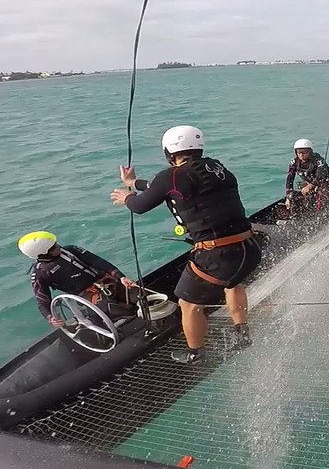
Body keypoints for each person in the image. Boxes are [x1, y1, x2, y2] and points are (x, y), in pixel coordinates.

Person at [111, 125, 262, 364]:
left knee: (188, 304)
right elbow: (163, 187)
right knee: (233, 283)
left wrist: (127, 196)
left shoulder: (171, 176)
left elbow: (140, 206)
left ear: (169, 151)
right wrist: (134, 182)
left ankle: (195, 352)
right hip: (249, 248)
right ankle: (241, 332)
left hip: (218, 255)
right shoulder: (218, 168)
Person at [19, 231, 139, 328]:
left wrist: (121, 277)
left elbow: (98, 262)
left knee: (139, 294)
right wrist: (51, 318)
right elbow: (42, 301)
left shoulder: (71, 250)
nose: (58, 246)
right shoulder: (40, 273)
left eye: (55, 244)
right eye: (54, 247)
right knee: (114, 309)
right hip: (87, 296)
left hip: (107, 282)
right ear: (44, 254)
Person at [284, 138, 329, 216]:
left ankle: (320, 214)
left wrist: (310, 186)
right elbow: (290, 178)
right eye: (299, 152)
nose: (301, 155)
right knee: (293, 197)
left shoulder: (318, 161)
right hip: (308, 184)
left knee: (320, 194)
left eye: (304, 152)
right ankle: (297, 216)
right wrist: (288, 197)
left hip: (322, 183)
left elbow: (320, 175)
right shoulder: (294, 162)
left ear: (310, 152)